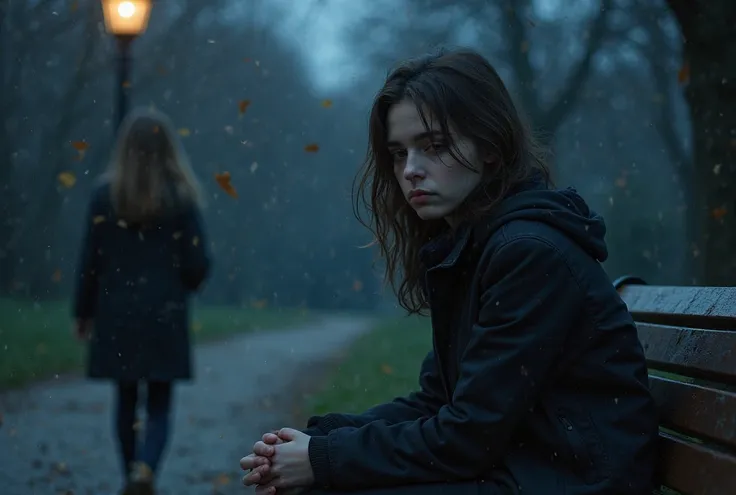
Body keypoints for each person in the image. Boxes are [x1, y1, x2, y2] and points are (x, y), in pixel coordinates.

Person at [239, 48, 659, 495]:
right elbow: (438, 401)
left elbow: (467, 437)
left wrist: (322, 460)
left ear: (490, 147)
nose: (411, 171)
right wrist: (315, 441)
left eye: (434, 146)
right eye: (399, 153)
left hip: (576, 482)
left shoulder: (529, 254)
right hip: (526, 470)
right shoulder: (477, 247)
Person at [72, 107, 212, 495]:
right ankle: (146, 470)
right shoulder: (181, 199)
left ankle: (130, 471)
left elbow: (90, 262)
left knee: (126, 397)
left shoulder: (105, 197)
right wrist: (182, 284)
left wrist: (83, 312)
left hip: (116, 313)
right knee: (160, 401)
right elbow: (199, 262)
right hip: (164, 313)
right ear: (169, 149)